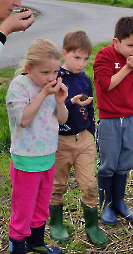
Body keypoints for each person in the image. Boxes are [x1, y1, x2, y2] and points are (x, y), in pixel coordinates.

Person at [6, 39, 68, 254]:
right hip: (26, 161)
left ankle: (36, 243)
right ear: (28, 68)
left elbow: (62, 119)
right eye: (45, 72)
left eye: (55, 71)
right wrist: (44, 94)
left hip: (47, 158)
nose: (51, 77)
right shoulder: (19, 86)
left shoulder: (51, 88)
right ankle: (18, 248)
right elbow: (23, 119)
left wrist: (60, 101)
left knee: (41, 205)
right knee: (23, 209)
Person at [49, 30, 107, 248]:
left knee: (90, 183)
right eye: (77, 57)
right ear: (65, 53)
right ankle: (56, 222)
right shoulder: (56, 79)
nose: (82, 63)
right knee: (58, 184)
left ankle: (92, 225)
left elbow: (90, 107)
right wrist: (70, 102)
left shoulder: (84, 79)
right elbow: (52, 112)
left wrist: (90, 131)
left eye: (86, 58)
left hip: (83, 140)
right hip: (60, 141)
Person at [93, 16, 133, 226]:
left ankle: (119, 202)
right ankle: (105, 204)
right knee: (108, 162)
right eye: (130, 45)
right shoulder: (105, 55)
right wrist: (127, 67)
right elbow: (106, 85)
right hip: (109, 119)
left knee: (125, 162)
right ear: (116, 42)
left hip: (131, 118)